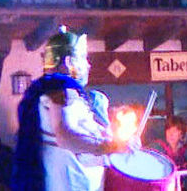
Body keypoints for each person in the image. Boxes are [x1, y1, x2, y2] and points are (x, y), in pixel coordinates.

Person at [12, 26, 123, 191]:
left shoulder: (61, 93)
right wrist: (107, 146)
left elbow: (81, 154)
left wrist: (118, 147)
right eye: (83, 58)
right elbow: (65, 136)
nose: (88, 65)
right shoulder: (60, 91)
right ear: (69, 61)